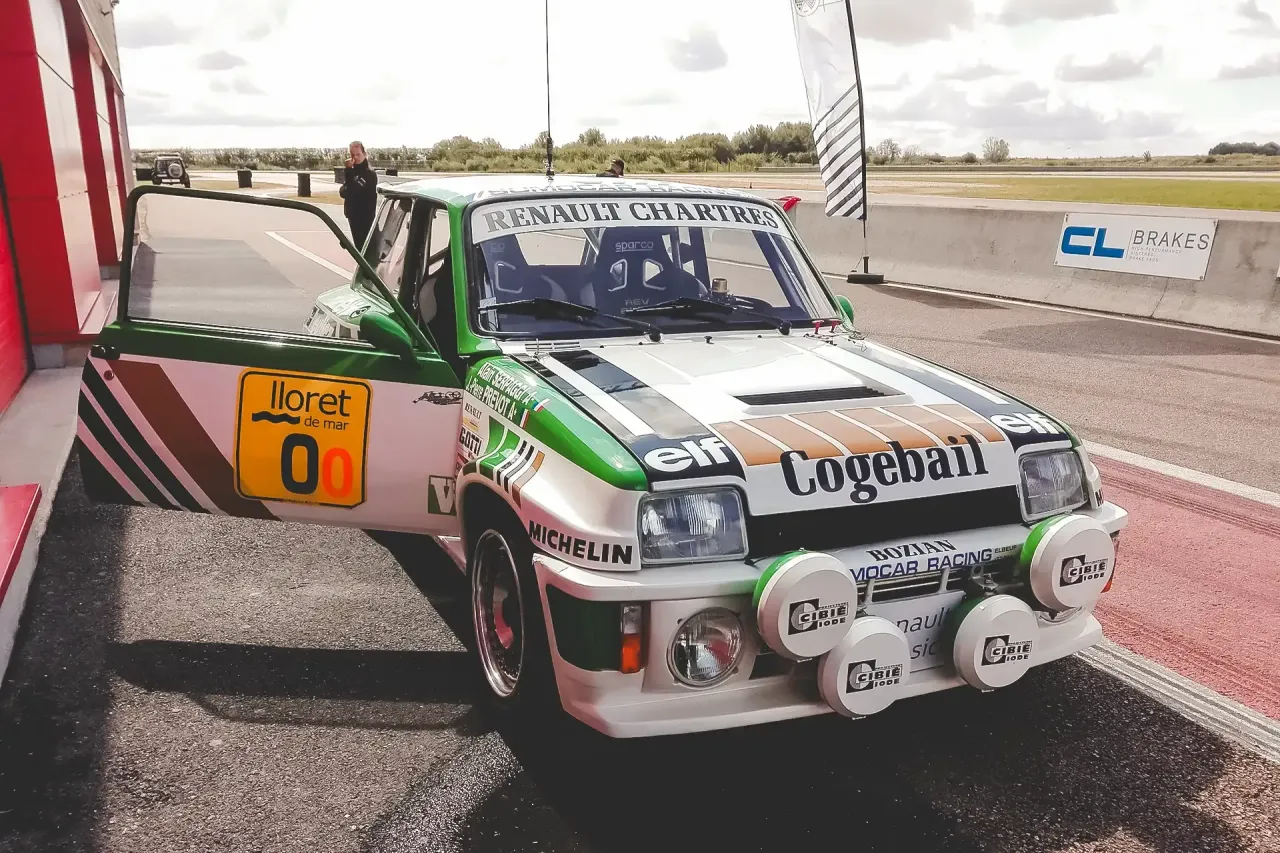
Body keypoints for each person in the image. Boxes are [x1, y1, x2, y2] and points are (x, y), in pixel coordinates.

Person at [339, 140, 377, 249]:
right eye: (352, 155)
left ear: (364, 154)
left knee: (365, 248)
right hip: (353, 215)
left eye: (358, 154)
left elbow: (350, 191)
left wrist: (348, 171)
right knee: (359, 247)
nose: (355, 158)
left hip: (364, 217)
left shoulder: (368, 173)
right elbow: (343, 191)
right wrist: (349, 172)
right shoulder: (354, 171)